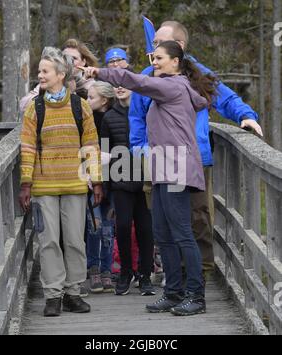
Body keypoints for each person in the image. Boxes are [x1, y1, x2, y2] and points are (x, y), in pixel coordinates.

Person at [84, 40, 218, 315]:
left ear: (175, 62)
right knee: (163, 233)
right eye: (152, 58)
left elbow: (134, 81)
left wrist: (99, 73)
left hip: (177, 169)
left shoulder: (174, 86)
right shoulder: (169, 88)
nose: (153, 63)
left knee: (181, 233)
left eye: (158, 58)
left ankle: (196, 295)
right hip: (161, 170)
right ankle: (173, 292)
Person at [128, 21, 263, 276]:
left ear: (178, 46)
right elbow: (136, 117)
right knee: (163, 220)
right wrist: (139, 149)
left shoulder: (198, 75)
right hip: (158, 159)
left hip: (194, 157)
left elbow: (224, 97)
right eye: (154, 43)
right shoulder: (147, 76)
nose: (152, 48)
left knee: (198, 217)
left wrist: (245, 115)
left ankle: (201, 274)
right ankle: (174, 276)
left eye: (158, 44)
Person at [19, 47, 103, 317]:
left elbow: (91, 143)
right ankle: (53, 295)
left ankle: (73, 293)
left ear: (60, 74)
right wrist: (26, 184)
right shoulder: (35, 108)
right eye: (40, 71)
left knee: (76, 241)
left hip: (75, 186)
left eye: (45, 71)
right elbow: (28, 147)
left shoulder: (81, 106)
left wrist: (97, 180)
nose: (40, 75)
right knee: (49, 241)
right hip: (44, 188)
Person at [97, 77, 155, 297]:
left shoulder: (147, 114)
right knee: (121, 226)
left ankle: (146, 274)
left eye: (125, 84)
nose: (120, 88)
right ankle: (125, 272)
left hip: (146, 179)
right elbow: (103, 152)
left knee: (145, 229)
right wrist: (103, 183)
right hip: (120, 180)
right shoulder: (109, 118)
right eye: (116, 85)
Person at [86, 81, 116, 293]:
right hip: (91, 179)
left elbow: (120, 147)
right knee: (94, 226)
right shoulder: (86, 120)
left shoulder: (114, 119)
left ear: (104, 100)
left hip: (113, 179)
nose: (87, 102)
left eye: (91, 98)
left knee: (108, 226)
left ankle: (107, 270)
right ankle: (93, 268)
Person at [20, 39, 98, 112]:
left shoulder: (90, 84)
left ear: (83, 62)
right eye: (65, 57)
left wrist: (79, 84)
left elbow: (91, 108)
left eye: (73, 58)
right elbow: (23, 105)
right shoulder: (52, 80)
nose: (68, 61)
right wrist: (49, 94)